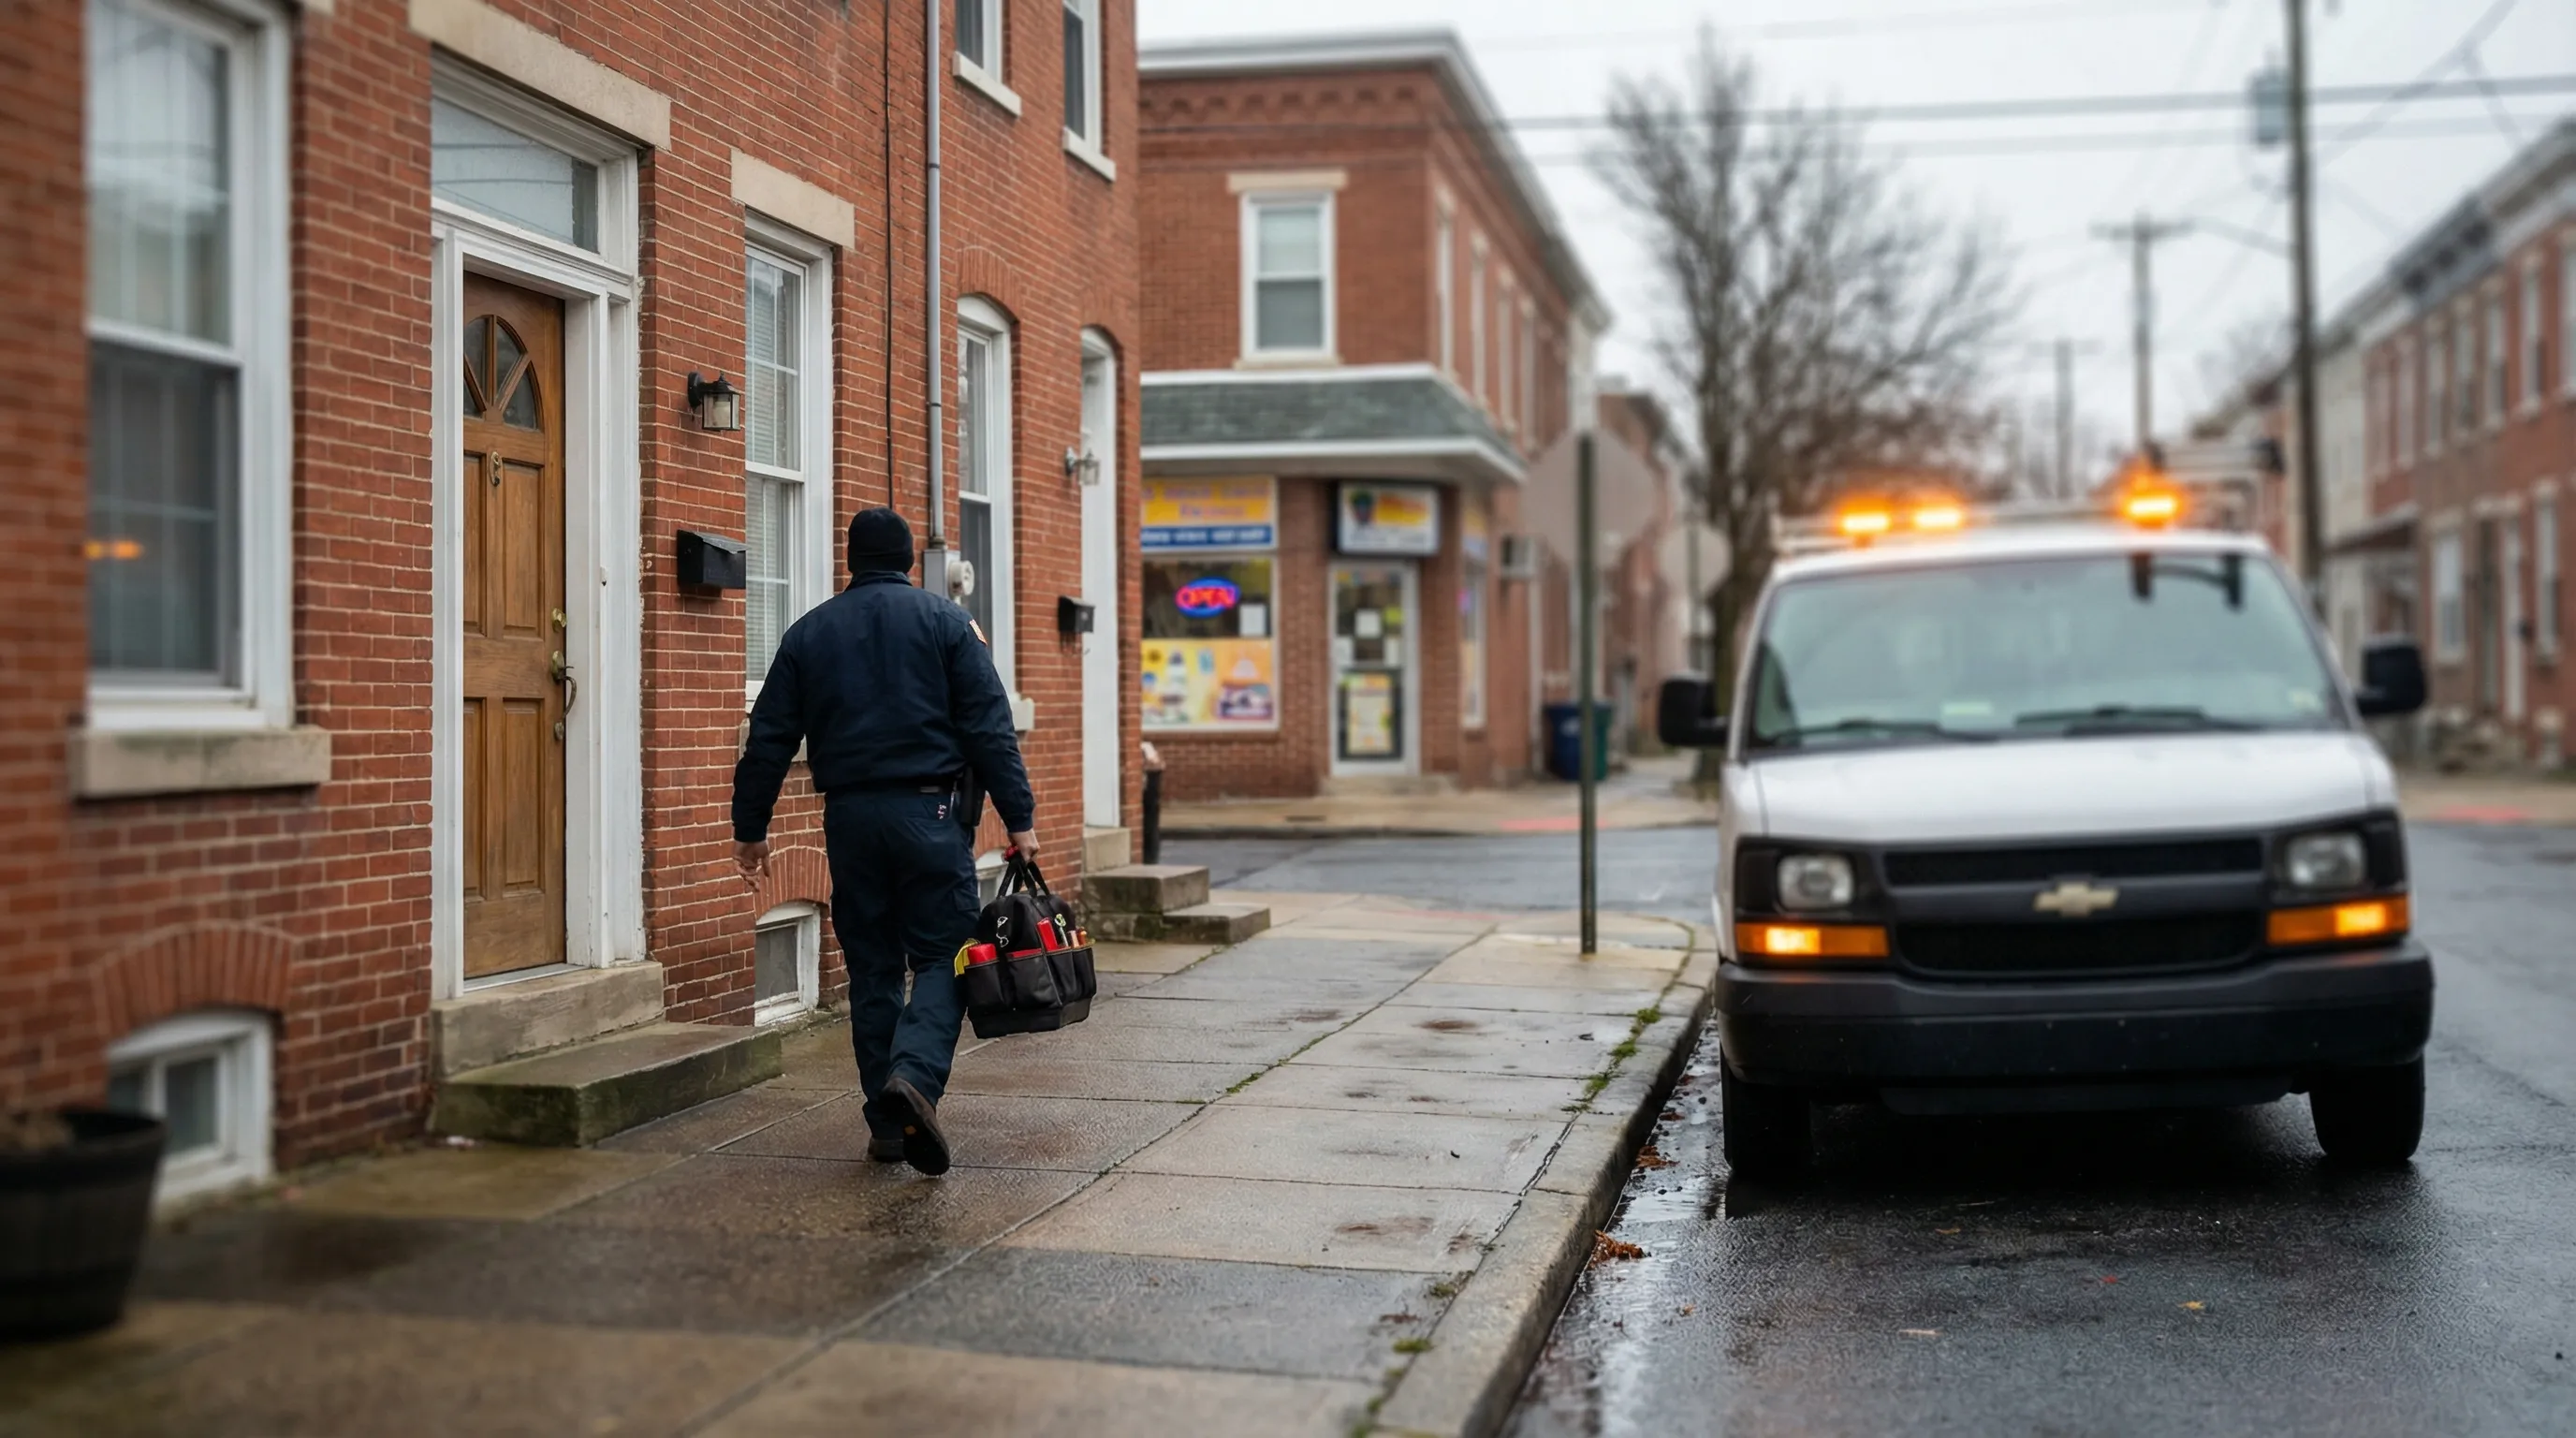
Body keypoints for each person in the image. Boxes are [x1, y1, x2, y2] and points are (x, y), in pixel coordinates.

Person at [731, 506, 1036, 1176]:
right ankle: (916, 1082)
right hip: (929, 815)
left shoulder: (808, 633)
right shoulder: (948, 624)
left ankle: (889, 1126)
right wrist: (1020, 817)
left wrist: (750, 829)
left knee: (872, 969)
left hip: (849, 819)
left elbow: (770, 737)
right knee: (947, 956)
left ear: (851, 560)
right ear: (904, 560)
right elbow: (990, 728)